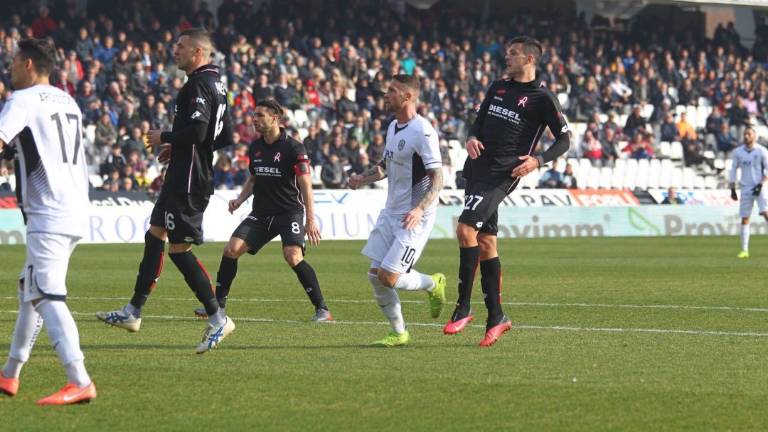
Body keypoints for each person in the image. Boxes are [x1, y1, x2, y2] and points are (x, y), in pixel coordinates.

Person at [96, 28, 235, 354]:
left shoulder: (199, 84)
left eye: (181, 47)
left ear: (198, 53)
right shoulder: (218, 83)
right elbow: (224, 135)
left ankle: (218, 318)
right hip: (183, 172)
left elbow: (200, 130)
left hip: (188, 181)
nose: (175, 51)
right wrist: (185, 149)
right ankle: (133, 312)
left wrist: (169, 138)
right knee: (154, 233)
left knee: (179, 250)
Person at [446, 36, 570, 347]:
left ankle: (462, 308)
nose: (507, 57)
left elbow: (565, 140)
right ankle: (497, 317)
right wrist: (471, 138)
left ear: (529, 60)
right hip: (477, 167)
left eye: (513, 54)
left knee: (465, 230)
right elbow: (477, 122)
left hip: (503, 173)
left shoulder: (543, 99)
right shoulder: (498, 87)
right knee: (486, 242)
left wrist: (537, 161)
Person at [0, 38, 96, 405]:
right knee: (30, 289)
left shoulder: (21, 100)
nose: (8, 69)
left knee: (45, 294)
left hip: (48, 209)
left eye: (12, 62)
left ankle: (79, 378)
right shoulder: (67, 100)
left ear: (27, 64)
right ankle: (10, 373)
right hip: (74, 205)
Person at [194, 99, 333, 321]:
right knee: (231, 249)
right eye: (254, 115)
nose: (254, 119)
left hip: (289, 212)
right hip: (261, 212)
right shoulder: (255, 147)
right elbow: (253, 178)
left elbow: (306, 185)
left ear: (275, 118)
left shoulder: (294, 147)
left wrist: (311, 219)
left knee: (292, 256)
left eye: (260, 115)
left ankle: (322, 309)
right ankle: (217, 306)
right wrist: (239, 200)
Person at [348, 74, 447, 347]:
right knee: (375, 277)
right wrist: (361, 178)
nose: (385, 95)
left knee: (389, 277)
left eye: (391, 91)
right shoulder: (393, 127)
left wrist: (419, 209)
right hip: (391, 211)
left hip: (414, 215)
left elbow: (438, 178)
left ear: (407, 97)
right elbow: (384, 166)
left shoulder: (423, 131)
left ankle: (432, 283)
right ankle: (399, 332)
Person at [728, 126, 768, 259]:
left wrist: (761, 183)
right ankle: (744, 250)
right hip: (745, 188)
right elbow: (733, 169)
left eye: (749, 134)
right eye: (745, 134)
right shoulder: (738, 152)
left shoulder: (762, 151)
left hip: (760, 187)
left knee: (766, 213)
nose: (746, 136)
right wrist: (732, 187)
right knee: (745, 218)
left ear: (754, 136)